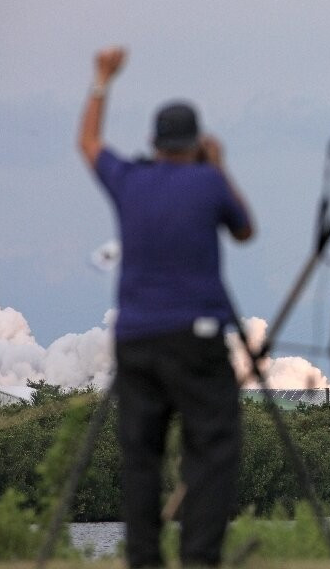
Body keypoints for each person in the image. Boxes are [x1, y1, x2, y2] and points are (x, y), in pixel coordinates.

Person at [78, 46, 254, 568]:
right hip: (195, 341)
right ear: (196, 144)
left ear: (153, 143)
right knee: (211, 453)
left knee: (141, 462)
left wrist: (101, 80)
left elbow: (88, 143)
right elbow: (244, 229)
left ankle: (144, 561)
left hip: (135, 341)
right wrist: (219, 167)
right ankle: (199, 558)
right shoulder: (207, 182)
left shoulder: (129, 179)